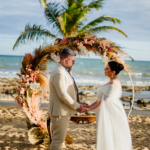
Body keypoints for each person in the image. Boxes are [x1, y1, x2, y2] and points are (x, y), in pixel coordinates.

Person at [84, 61, 132, 150]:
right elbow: (100, 99)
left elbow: (103, 102)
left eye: (107, 69)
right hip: (110, 110)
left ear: (113, 72)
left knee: (110, 135)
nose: (104, 70)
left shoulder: (113, 83)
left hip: (111, 112)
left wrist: (88, 110)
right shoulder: (113, 80)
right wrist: (89, 106)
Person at [48, 48, 87, 150]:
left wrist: (78, 101)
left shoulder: (63, 70)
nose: (73, 63)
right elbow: (62, 94)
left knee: (59, 140)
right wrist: (77, 106)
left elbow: (68, 91)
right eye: (72, 61)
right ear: (65, 60)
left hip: (62, 111)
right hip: (59, 112)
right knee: (57, 140)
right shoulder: (59, 72)